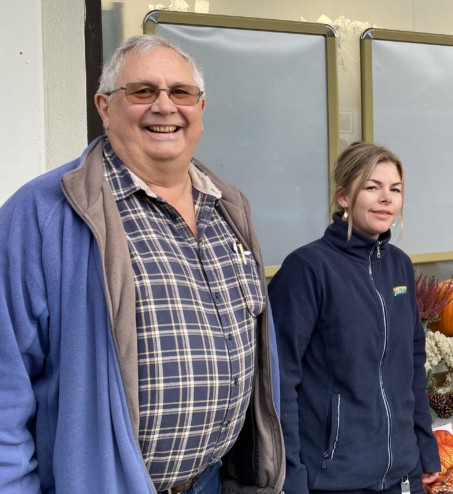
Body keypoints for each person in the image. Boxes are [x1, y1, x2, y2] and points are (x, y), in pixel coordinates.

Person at [0, 34, 284, 493]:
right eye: (142, 91)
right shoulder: (43, 215)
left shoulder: (229, 209)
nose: (165, 107)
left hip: (214, 482)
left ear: (201, 110)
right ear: (105, 106)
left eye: (181, 93)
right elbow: (4, 388)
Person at [268, 142, 441, 494]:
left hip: (402, 475)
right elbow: (279, 381)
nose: (386, 198)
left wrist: (425, 449)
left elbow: (412, 364)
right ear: (343, 197)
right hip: (334, 479)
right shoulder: (307, 269)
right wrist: (291, 478)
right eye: (372, 187)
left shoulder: (400, 266)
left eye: (395, 189)